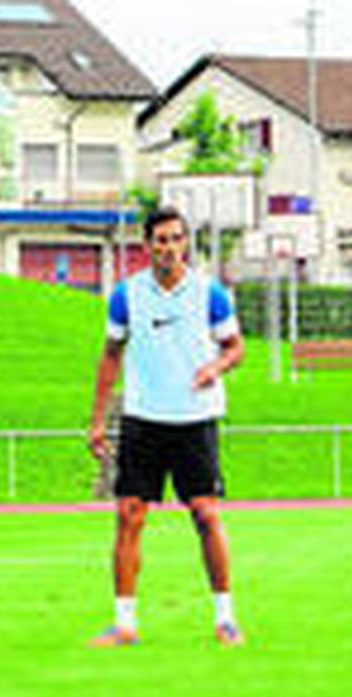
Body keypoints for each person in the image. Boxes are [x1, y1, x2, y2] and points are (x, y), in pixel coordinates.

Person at [87, 207, 246, 648]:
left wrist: (215, 367)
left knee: (205, 514)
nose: (170, 248)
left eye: (177, 239)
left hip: (195, 421)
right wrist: (98, 419)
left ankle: (225, 618)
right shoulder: (126, 296)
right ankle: (124, 623)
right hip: (143, 419)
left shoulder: (209, 294)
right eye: (161, 240)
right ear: (147, 246)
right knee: (128, 516)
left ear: (185, 244)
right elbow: (111, 356)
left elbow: (236, 347)